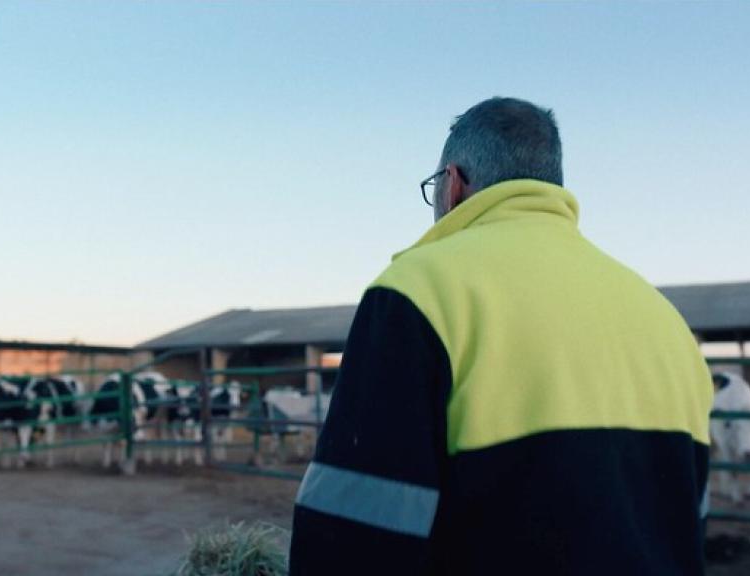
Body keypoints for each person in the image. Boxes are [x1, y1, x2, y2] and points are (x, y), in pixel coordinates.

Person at [289, 97, 713, 575]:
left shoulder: (418, 291)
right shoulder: (664, 320)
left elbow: (354, 534)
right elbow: (687, 524)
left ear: (452, 186)